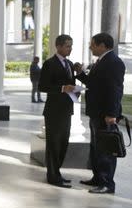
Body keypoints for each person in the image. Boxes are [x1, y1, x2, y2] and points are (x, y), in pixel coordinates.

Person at [75, 33, 125, 194]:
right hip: (96, 113)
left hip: (106, 114)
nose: (90, 47)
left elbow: (115, 90)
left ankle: (107, 183)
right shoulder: (101, 61)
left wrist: (111, 113)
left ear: (103, 45)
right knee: (96, 147)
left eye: (93, 44)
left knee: (106, 149)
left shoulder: (114, 63)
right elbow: (94, 84)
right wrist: (81, 74)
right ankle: (97, 178)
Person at [38, 34, 76, 188]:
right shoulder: (49, 64)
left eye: (71, 46)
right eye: (67, 46)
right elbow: (42, 87)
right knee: (54, 144)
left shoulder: (71, 64)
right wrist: (61, 88)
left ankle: (57, 172)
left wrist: (75, 91)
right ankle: (52, 176)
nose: (70, 48)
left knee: (63, 143)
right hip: (53, 111)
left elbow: (71, 85)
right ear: (58, 46)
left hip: (67, 110)